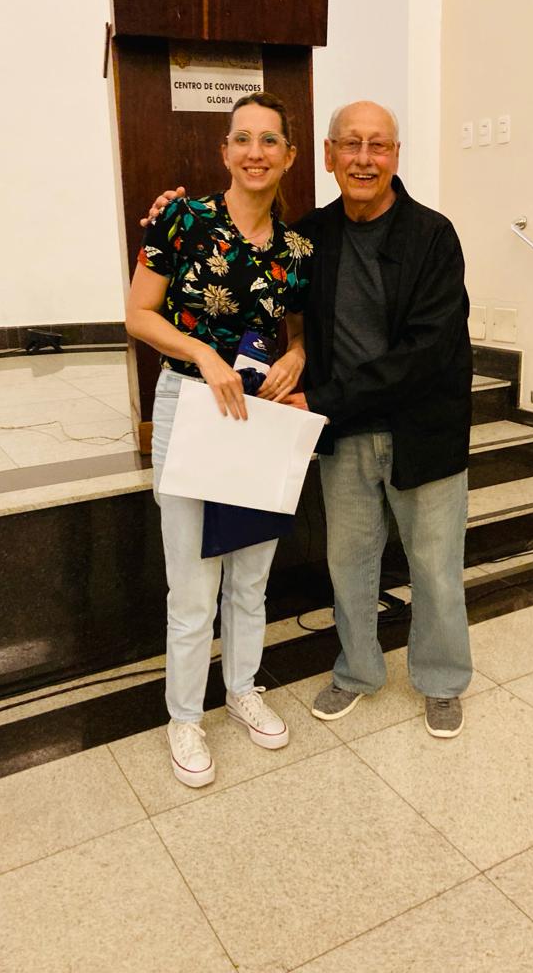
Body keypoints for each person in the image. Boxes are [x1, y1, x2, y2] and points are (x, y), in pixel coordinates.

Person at [144, 99, 472, 739]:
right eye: (350, 144)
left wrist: (318, 391)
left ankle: (441, 680)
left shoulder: (433, 235)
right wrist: (167, 215)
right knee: (349, 565)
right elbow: (288, 319)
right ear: (326, 156)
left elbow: (429, 351)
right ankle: (357, 672)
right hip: (342, 432)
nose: (363, 158)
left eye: (378, 145)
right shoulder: (309, 238)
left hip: (419, 429)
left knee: (435, 568)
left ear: (396, 156)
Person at [126, 92, 313, 788]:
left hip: (259, 414)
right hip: (190, 407)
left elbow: (299, 330)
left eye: (269, 140)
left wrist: (297, 356)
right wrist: (203, 355)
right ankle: (185, 716)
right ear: (224, 152)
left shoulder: (298, 250)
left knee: (251, 578)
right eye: (242, 139)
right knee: (193, 586)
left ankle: (241, 690)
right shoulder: (183, 219)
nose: (255, 152)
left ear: (289, 155)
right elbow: (139, 314)